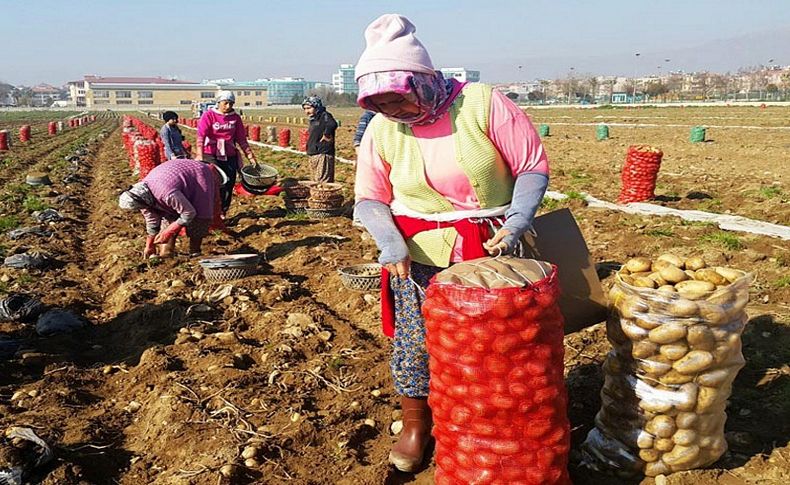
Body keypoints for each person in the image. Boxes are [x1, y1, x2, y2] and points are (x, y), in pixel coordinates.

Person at [352, 14, 550, 472]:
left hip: (493, 248)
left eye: (398, 99)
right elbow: (368, 198)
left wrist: (518, 219)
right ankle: (418, 425)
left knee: (499, 340)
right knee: (415, 341)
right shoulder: (381, 130)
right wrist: (390, 243)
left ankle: (497, 423)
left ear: (421, 81)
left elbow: (531, 165)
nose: (393, 111)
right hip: (418, 254)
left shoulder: (483, 105)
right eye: (380, 104)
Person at [119, 159, 219, 258]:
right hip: (173, 179)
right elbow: (152, 221)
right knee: (167, 219)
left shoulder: (166, 194)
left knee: (199, 214)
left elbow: (189, 213)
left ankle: (195, 252)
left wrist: (169, 231)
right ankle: (166, 254)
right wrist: (149, 244)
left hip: (197, 174)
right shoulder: (141, 197)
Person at [196, 91, 258, 215]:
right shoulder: (209, 116)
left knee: (229, 182)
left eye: (231, 103)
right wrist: (200, 155)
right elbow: (201, 136)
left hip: (229, 154)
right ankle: (210, 210)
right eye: (225, 103)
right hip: (211, 154)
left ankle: (223, 210)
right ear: (218, 103)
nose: (228, 106)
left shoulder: (235, 118)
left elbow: (241, 139)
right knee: (216, 181)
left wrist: (250, 156)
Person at [301, 96, 338, 183]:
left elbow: (332, 124)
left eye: (309, 108)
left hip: (323, 153)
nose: (307, 111)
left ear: (316, 106)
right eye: (305, 109)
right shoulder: (313, 119)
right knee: (315, 181)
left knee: (322, 182)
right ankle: (316, 195)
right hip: (313, 153)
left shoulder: (325, 115)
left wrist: (326, 134)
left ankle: (322, 196)